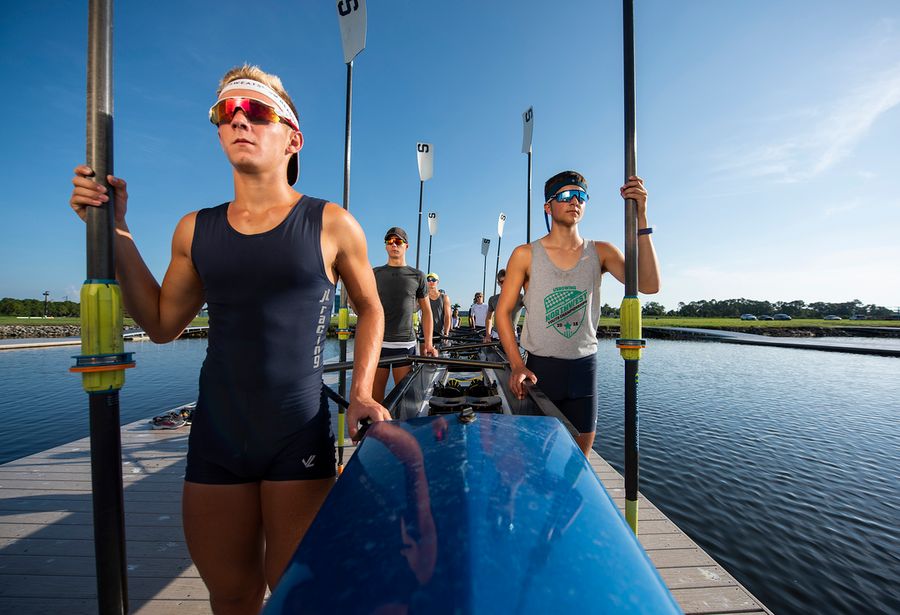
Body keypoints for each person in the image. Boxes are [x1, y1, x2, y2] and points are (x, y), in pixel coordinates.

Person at [68, 64, 390, 614]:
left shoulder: (332, 223)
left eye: (257, 110)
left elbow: (370, 308)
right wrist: (115, 231)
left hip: (299, 436)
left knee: (296, 597)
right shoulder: (195, 229)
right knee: (232, 597)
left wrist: (361, 392)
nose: (240, 119)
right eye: (226, 112)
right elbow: (164, 324)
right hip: (217, 439)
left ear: (293, 138)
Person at [495, 170, 660, 456]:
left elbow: (649, 284)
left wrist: (641, 217)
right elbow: (503, 312)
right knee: (537, 459)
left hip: (585, 370)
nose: (575, 201)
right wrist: (516, 365)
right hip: (540, 370)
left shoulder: (602, 252)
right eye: (566, 196)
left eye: (581, 196)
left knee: (578, 465)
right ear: (548, 206)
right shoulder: (525, 254)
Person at [373, 227, 438, 403]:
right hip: (378, 344)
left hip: (405, 344)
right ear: (386, 246)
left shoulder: (418, 276)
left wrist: (429, 343)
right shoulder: (374, 274)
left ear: (406, 246)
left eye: (398, 241)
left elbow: (427, 311)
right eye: (390, 241)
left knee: (404, 400)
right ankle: (375, 430)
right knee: (375, 401)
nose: (394, 245)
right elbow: (360, 304)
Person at [484, 268, 524, 344]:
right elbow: (489, 318)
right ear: (498, 283)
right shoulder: (493, 299)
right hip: (495, 337)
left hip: (512, 338)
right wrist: (488, 335)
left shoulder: (520, 297)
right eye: (502, 282)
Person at [423, 272, 451, 341]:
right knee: (423, 352)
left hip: (438, 332)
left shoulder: (444, 297)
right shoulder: (423, 297)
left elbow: (447, 316)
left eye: (433, 280)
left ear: (437, 282)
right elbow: (414, 309)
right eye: (428, 280)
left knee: (437, 351)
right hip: (424, 331)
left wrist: (446, 333)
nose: (431, 281)